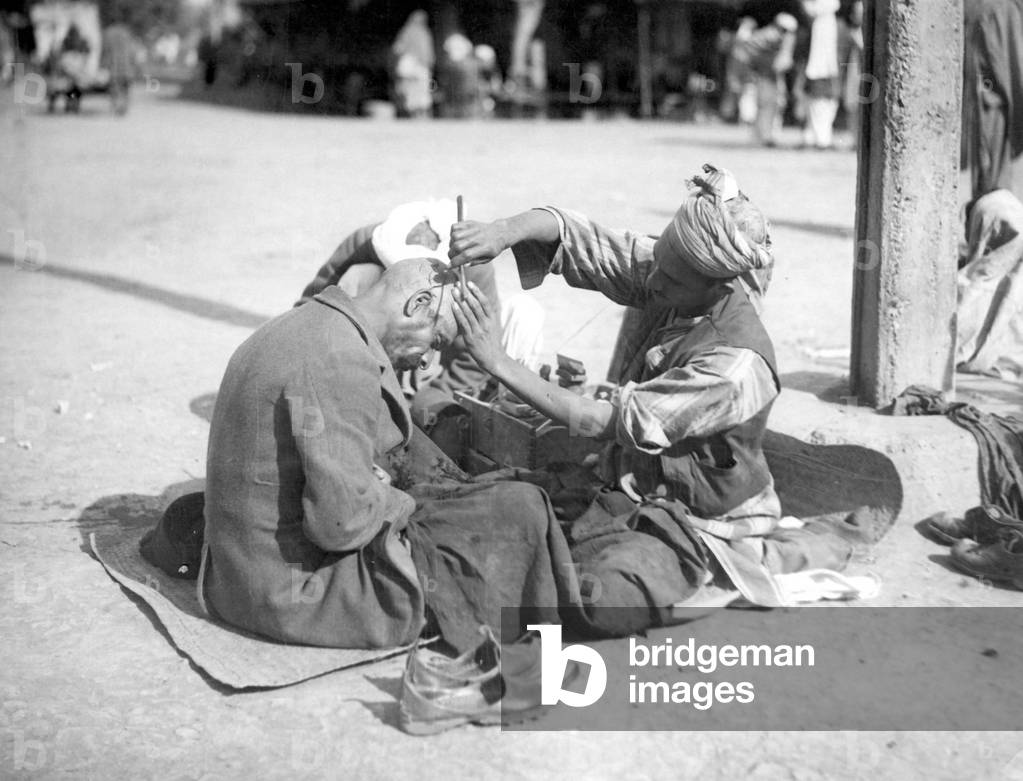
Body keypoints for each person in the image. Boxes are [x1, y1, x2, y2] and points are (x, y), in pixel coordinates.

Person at [201, 258, 573, 650]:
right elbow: (340, 525)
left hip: (241, 576)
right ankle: (537, 656)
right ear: (418, 305)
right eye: (437, 341)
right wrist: (393, 497)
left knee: (481, 499)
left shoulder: (305, 324)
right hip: (292, 593)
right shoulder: (341, 358)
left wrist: (369, 484)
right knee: (522, 508)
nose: (428, 361)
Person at [293, 199, 502, 428]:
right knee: (359, 275)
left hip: (438, 365)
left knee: (523, 315)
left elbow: (475, 355)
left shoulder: (471, 266)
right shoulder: (370, 240)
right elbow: (309, 307)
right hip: (373, 350)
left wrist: (432, 402)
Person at [800, 0, 841, 149]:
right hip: (819, 74)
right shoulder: (819, 23)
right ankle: (818, 138)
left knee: (822, 105)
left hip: (824, 73)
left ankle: (820, 138)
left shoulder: (827, 21)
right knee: (817, 105)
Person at [391, 10, 434, 118]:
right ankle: (417, 114)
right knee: (418, 90)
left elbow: (397, 49)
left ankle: (415, 113)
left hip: (414, 65)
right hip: (416, 66)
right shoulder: (422, 33)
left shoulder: (408, 31)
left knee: (414, 90)